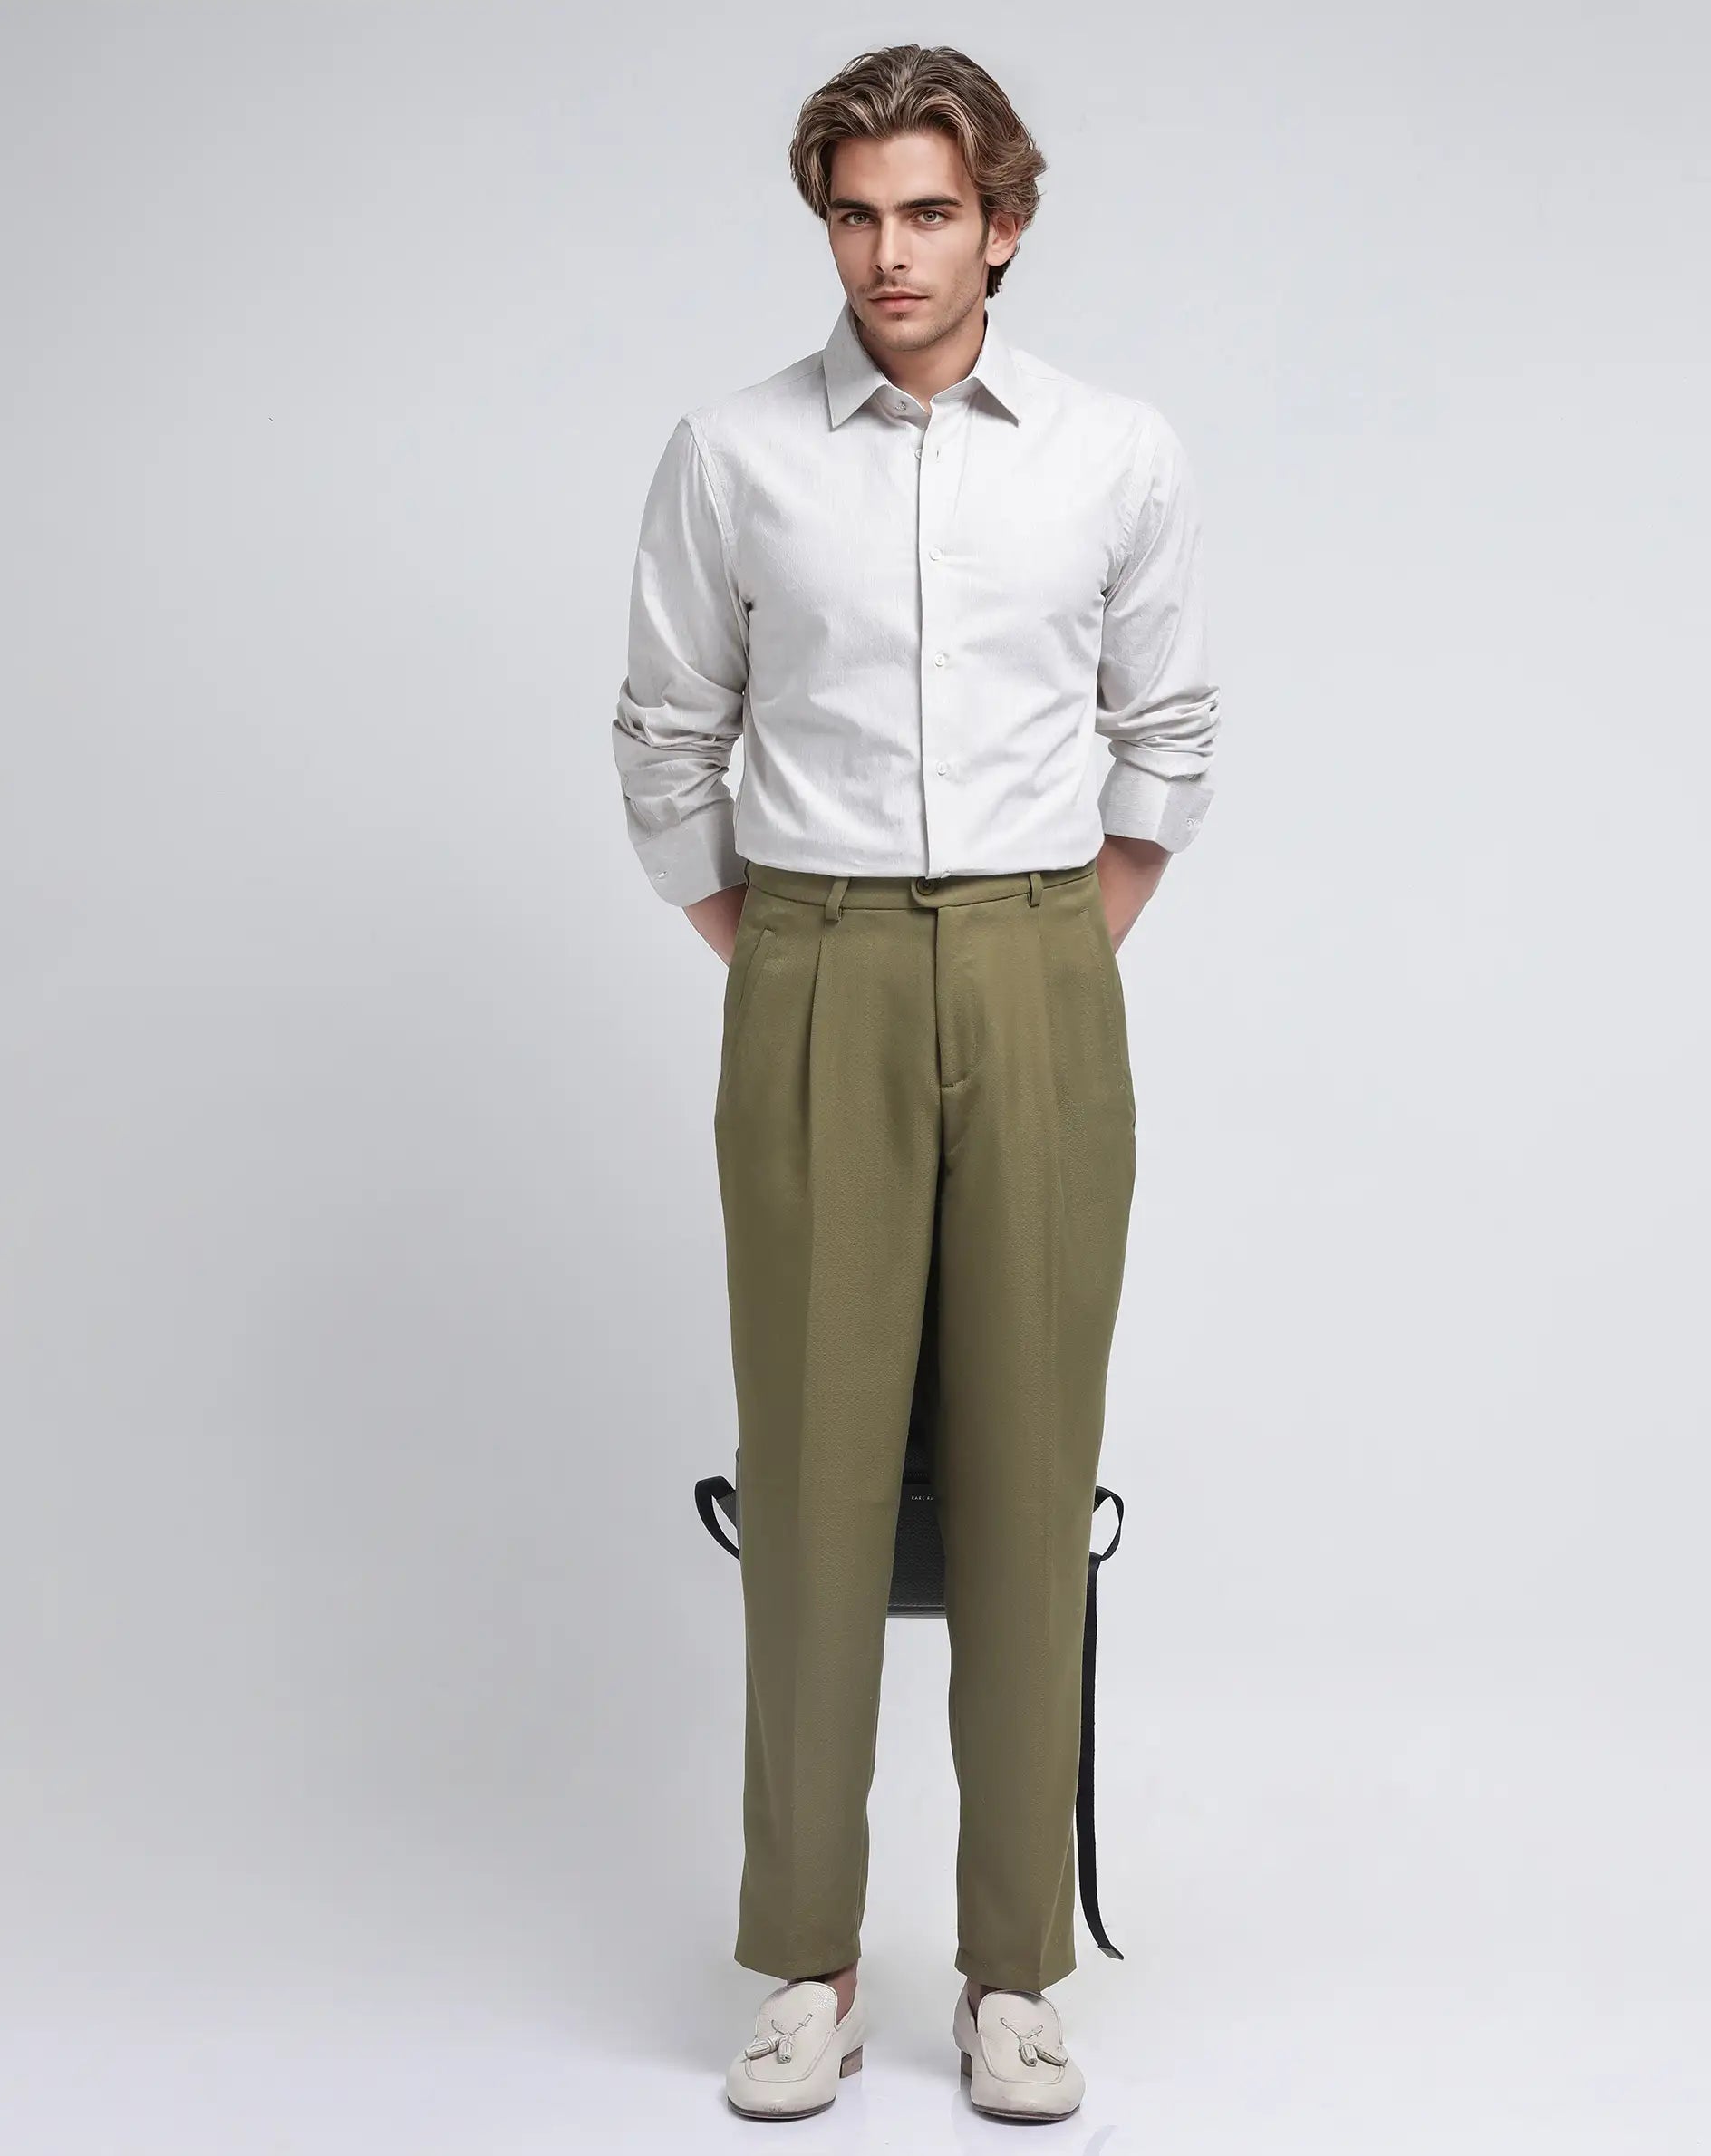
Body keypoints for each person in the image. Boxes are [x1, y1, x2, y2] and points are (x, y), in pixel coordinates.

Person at [610, 42, 1221, 2125]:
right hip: (816, 952)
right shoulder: (735, 452)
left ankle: (1012, 1974)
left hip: (1043, 956)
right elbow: (666, 731)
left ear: (1004, 227)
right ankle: (805, 1962)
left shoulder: (1115, 453)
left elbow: (1169, 726)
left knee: (1033, 1480)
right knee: (812, 1481)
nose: (891, 253)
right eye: (858, 215)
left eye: (930, 213)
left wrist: (1054, 947)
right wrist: (788, 961)